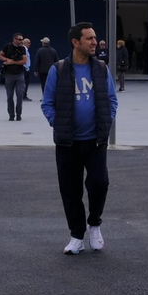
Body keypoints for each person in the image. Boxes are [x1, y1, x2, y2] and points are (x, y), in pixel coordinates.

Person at [41, 22, 118, 255]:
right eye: (90, 39)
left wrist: (106, 123)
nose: (95, 42)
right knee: (70, 190)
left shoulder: (102, 68)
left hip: (95, 141)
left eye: (95, 38)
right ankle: (76, 236)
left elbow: (112, 100)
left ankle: (94, 224)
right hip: (68, 143)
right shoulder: (60, 69)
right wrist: (59, 123)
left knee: (99, 183)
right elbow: (47, 103)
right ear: (76, 42)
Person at [0, 33, 28, 120]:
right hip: (9, 75)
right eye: (19, 39)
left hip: (20, 75)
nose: (21, 41)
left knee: (20, 95)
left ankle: (19, 114)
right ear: (14, 39)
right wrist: (7, 60)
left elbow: (24, 61)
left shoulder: (22, 48)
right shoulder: (7, 46)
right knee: (10, 96)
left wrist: (13, 62)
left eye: (22, 39)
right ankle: (11, 115)